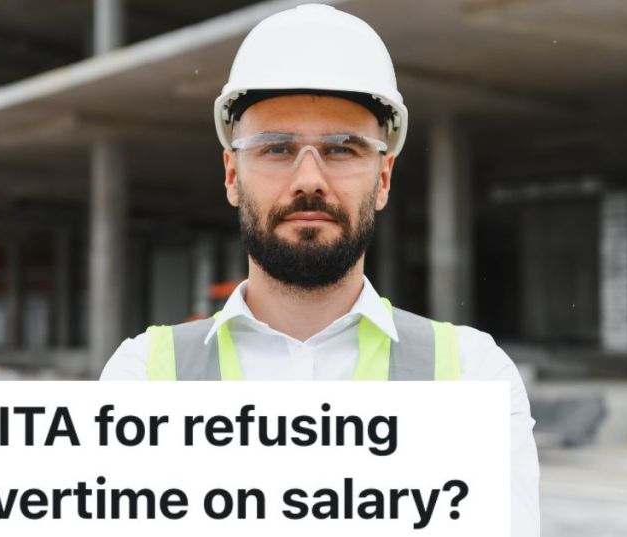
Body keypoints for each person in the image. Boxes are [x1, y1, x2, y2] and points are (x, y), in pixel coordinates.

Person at [100, 4, 539, 535]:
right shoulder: (145, 377)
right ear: (233, 174)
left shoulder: (473, 375)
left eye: (342, 148)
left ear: (382, 179)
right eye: (277, 148)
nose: (309, 179)